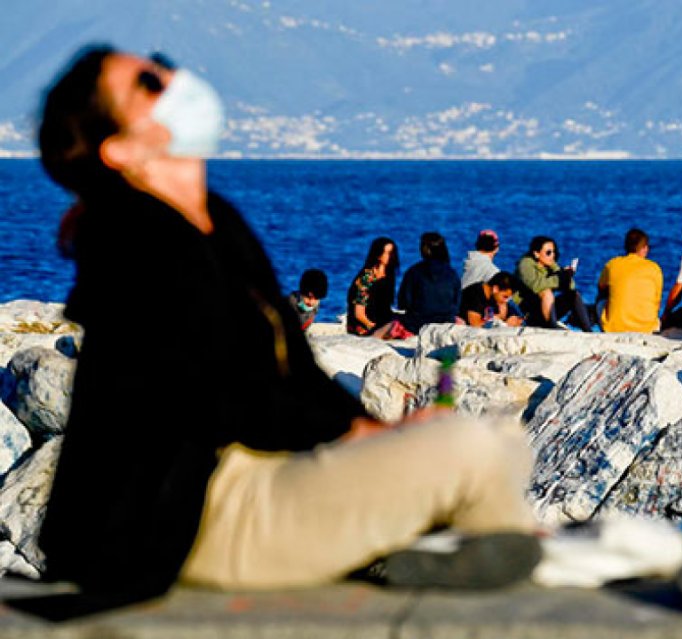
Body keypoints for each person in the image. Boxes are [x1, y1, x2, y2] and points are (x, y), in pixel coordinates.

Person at [32, 45, 540, 615]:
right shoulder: (132, 240)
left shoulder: (215, 219)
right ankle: (506, 562)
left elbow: (294, 365)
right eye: (149, 82)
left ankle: (462, 551)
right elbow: (214, 393)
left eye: (163, 64)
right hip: (196, 515)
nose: (173, 79)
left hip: (258, 470)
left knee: (501, 438)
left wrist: (373, 430)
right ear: (119, 148)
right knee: (469, 449)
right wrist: (354, 436)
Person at [515, 236, 593, 331]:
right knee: (546, 292)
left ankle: (588, 330)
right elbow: (536, 286)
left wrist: (565, 276)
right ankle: (552, 327)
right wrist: (558, 279)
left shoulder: (550, 265)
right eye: (548, 253)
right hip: (526, 312)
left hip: (545, 311)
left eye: (554, 252)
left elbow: (571, 287)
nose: (552, 255)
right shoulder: (525, 264)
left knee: (574, 295)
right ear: (536, 254)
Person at [596, 228, 663, 333]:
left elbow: (601, 287)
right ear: (644, 248)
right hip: (648, 328)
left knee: (601, 300)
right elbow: (657, 303)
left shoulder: (612, 264)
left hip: (614, 328)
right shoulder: (654, 268)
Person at [396, 232, 461, 334]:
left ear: (426, 249)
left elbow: (403, 303)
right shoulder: (452, 273)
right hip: (446, 323)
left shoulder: (414, 272)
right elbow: (457, 303)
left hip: (417, 324)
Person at [346, 237, 400, 338]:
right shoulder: (366, 278)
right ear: (378, 255)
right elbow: (359, 314)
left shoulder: (389, 275)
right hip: (365, 325)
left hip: (381, 322)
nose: (390, 256)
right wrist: (374, 327)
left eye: (392, 253)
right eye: (386, 253)